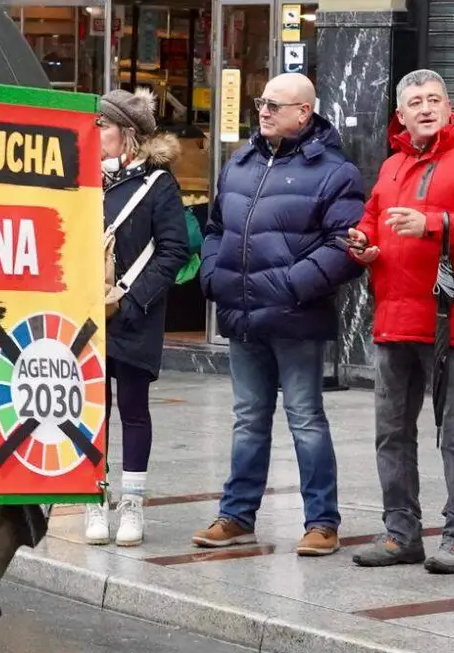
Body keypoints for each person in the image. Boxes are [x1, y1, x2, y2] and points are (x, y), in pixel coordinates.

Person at [347, 69, 454, 574]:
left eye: (434, 99)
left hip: (449, 323)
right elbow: (372, 217)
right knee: (391, 433)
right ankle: (401, 533)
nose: (425, 108)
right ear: (400, 116)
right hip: (393, 319)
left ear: (448, 106)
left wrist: (435, 223)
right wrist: (362, 242)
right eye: (415, 101)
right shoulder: (394, 164)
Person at [192, 73, 365, 556]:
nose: (262, 111)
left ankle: (322, 523)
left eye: (274, 104)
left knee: (306, 417)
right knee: (248, 417)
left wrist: (290, 286)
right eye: (260, 102)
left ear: (303, 113)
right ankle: (236, 515)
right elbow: (214, 227)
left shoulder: (335, 172)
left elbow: (345, 247)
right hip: (242, 313)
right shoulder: (241, 162)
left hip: (295, 317)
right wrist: (212, 275)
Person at [84, 87, 191, 547]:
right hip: (86, 315)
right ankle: (93, 498)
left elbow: (174, 251)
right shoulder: (84, 179)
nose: (95, 133)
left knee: (132, 409)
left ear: (126, 134)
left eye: (102, 125)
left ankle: (132, 504)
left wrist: (131, 300)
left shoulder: (159, 184)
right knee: (91, 412)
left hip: (133, 314)